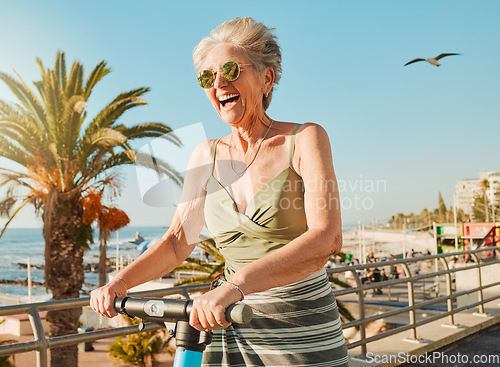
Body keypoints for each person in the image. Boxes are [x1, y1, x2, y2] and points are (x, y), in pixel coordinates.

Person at [90, 17, 348, 366]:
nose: (218, 83)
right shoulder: (205, 155)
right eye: (207, 77)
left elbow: (326, 239)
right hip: (226, 324)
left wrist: (236, 286)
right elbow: (178, 241)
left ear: (267, 78)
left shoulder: (304, 139)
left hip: (300, 333)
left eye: (230, 69)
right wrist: (119, 283)